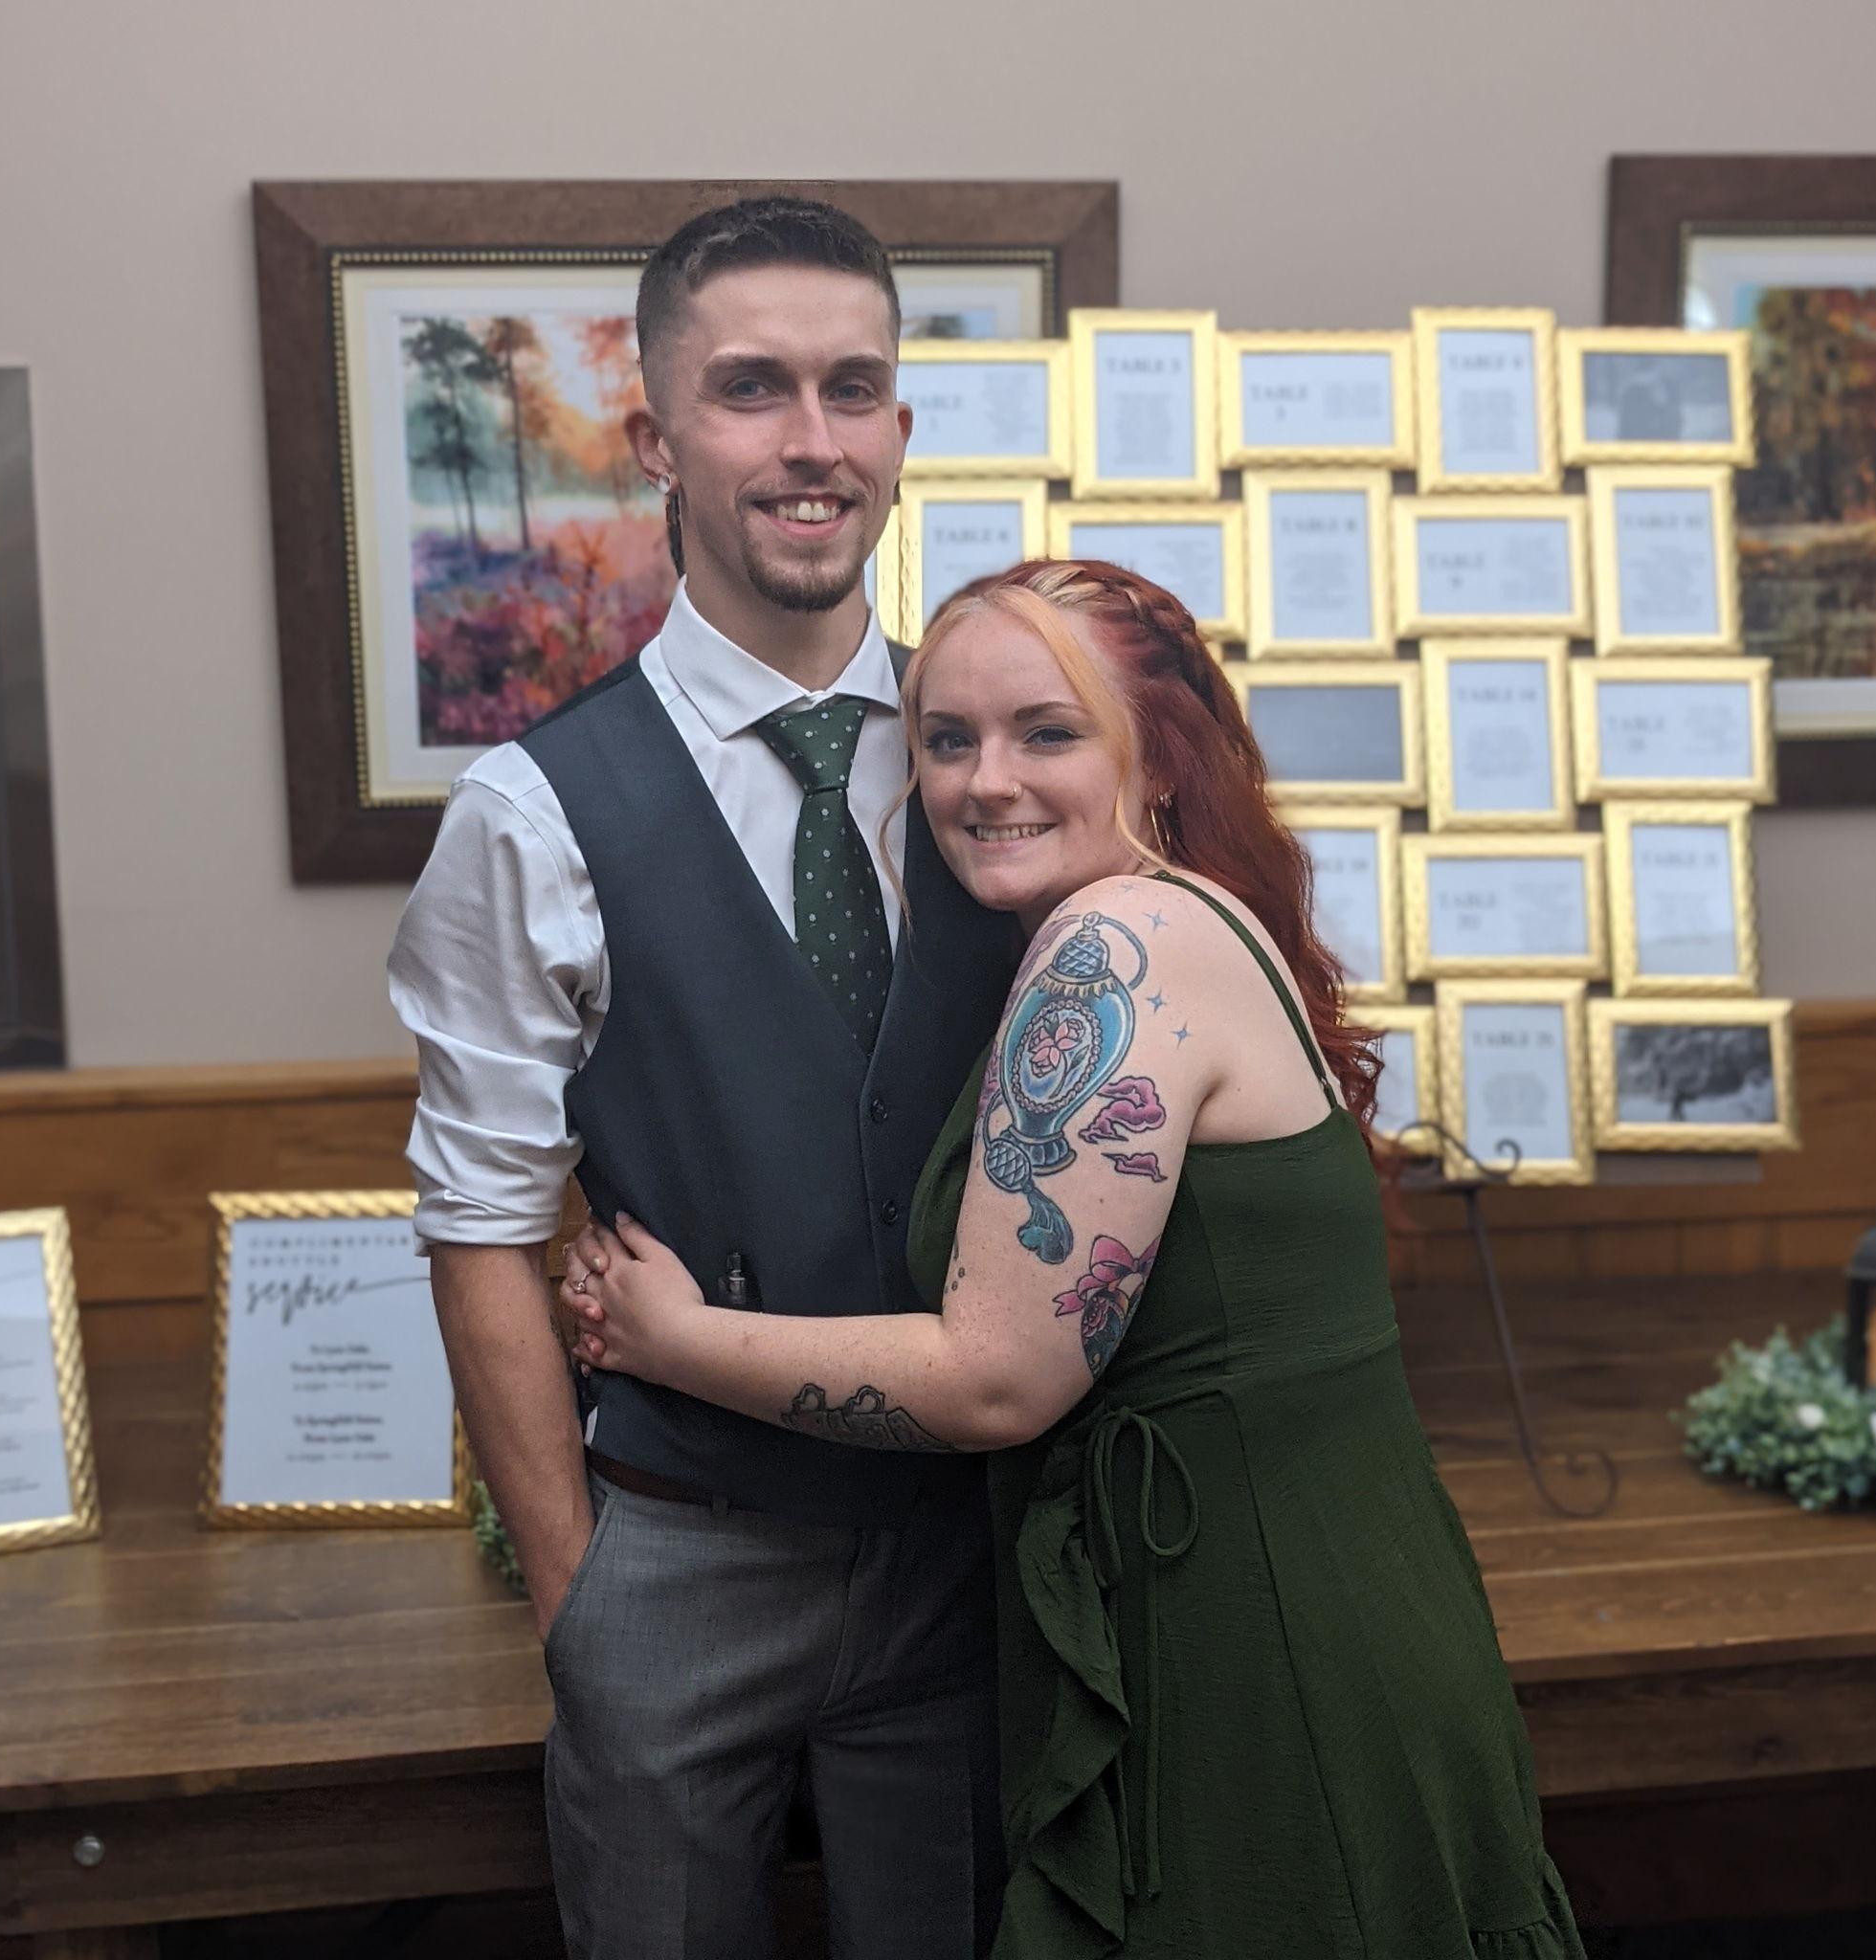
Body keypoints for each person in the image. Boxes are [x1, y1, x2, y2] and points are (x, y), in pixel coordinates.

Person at [566, 559, 1588, 1959]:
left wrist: (671, 1339)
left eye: (1046, 733)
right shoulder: (1186, 914)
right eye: (947, 740)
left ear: (1156, 756)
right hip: (1309, 1579)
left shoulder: (1118, 944)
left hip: (1256, 1631)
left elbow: (997, 1378)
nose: (986, 782)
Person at [389, 196, 1018, 1960]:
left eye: (852, 389)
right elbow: (480, 1223)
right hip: (680, 1556)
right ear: (656, 439)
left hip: (974, 1557)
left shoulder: (1010, 769)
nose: (813, 442)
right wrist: (581, 1596)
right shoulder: (532, 813)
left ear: (900, 430)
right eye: (752, 390)